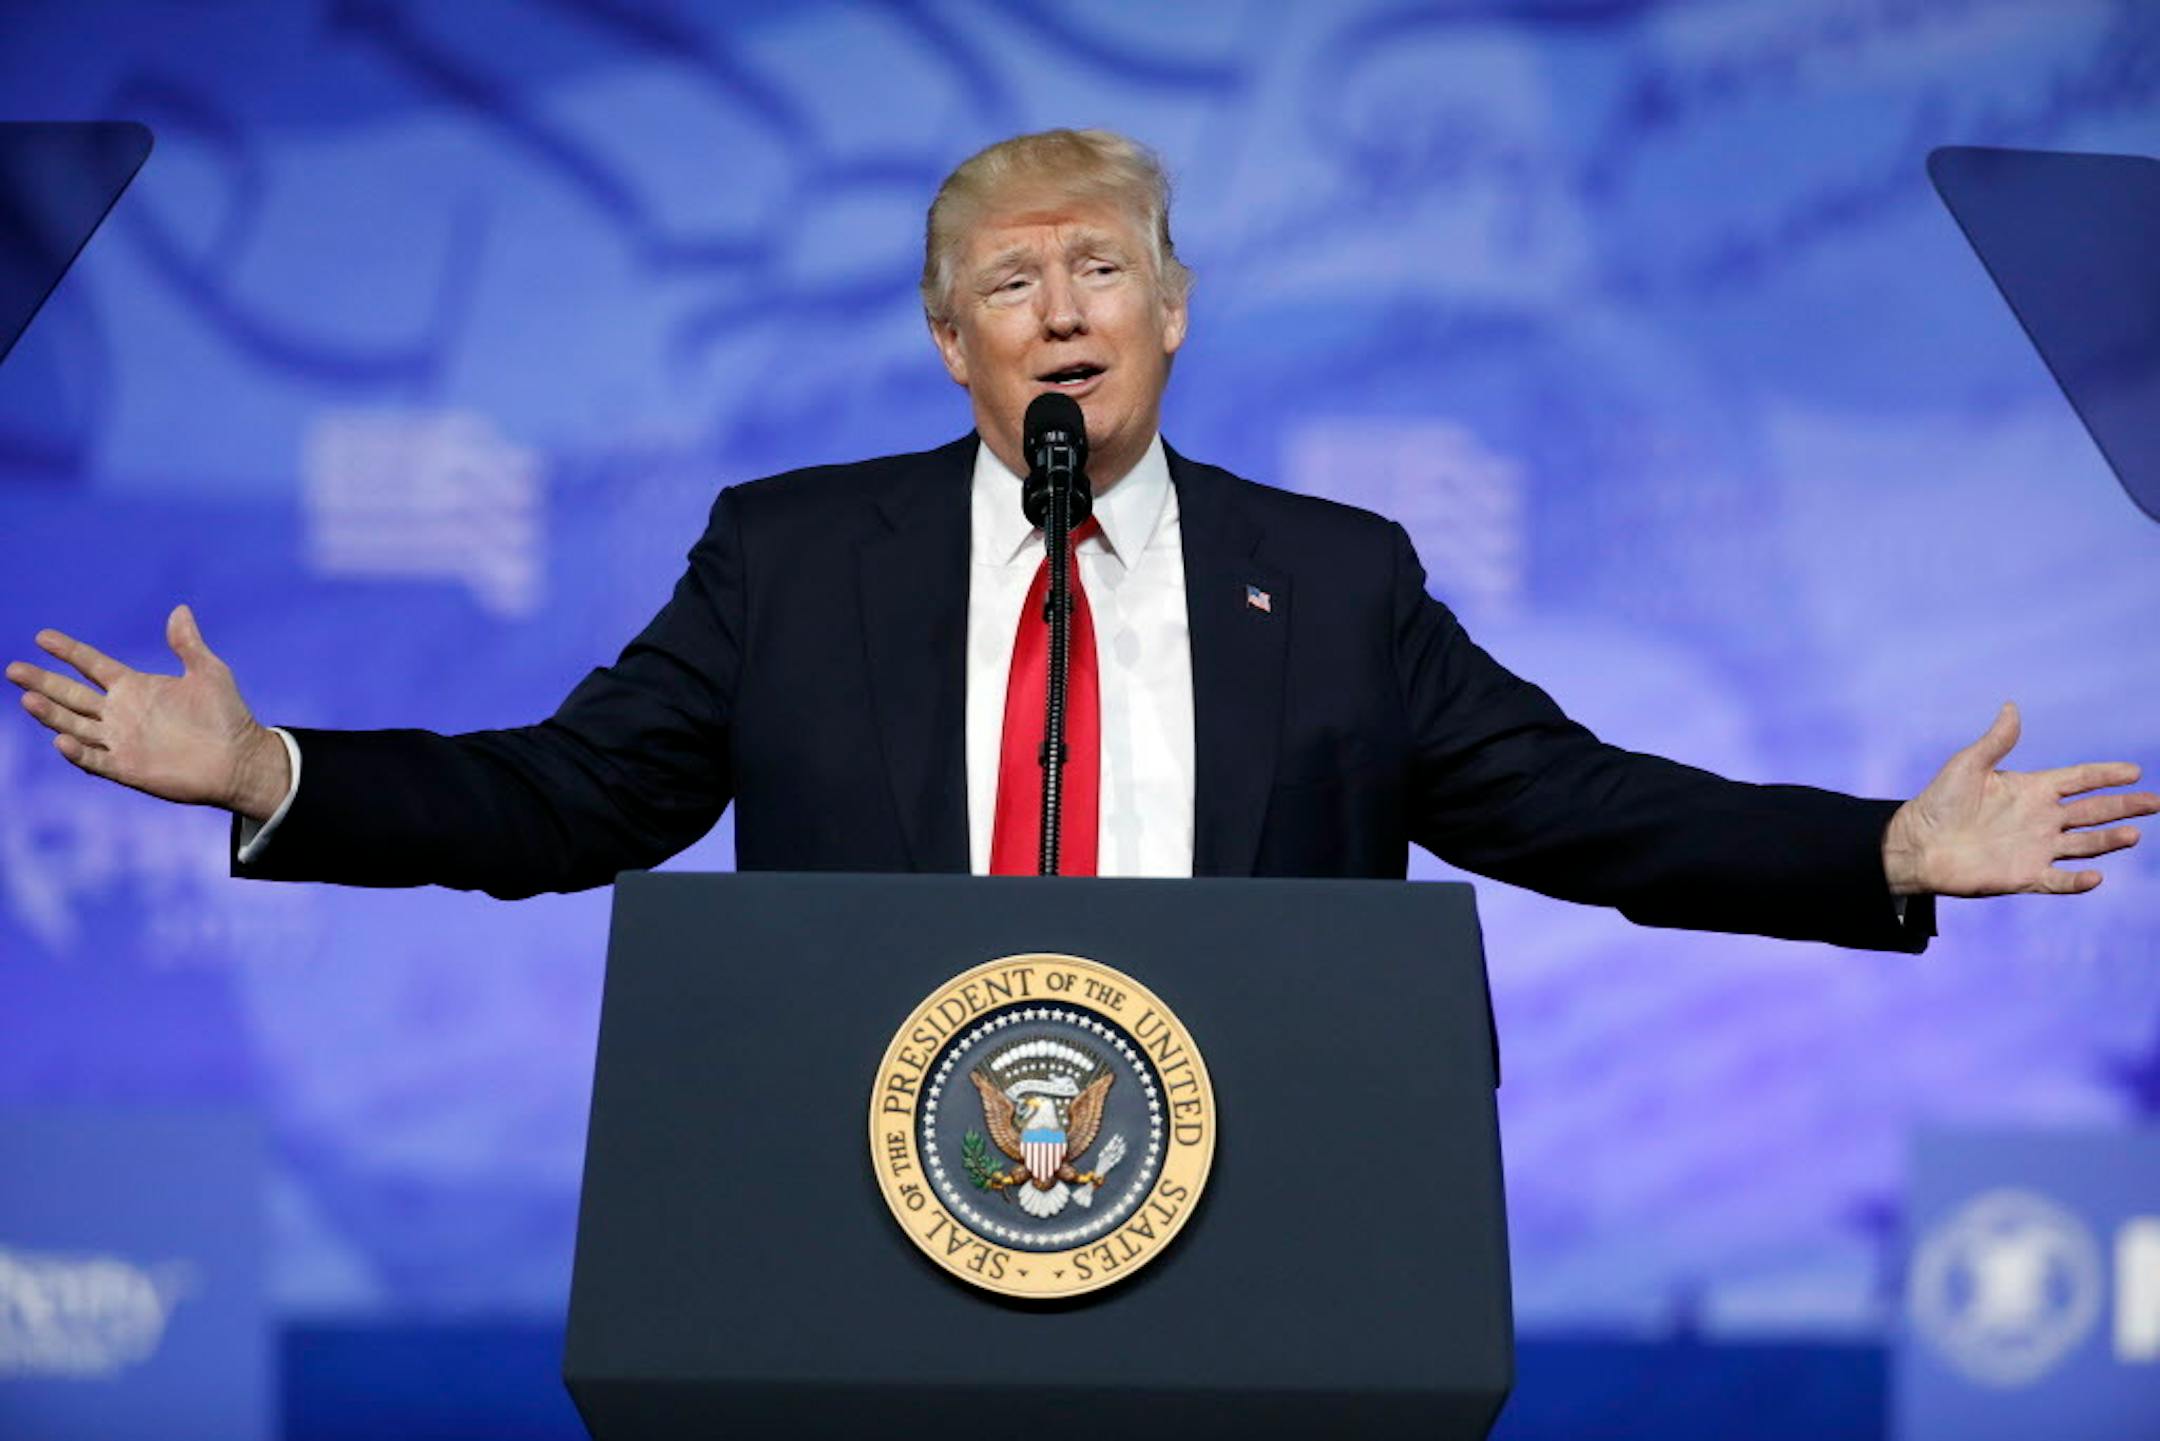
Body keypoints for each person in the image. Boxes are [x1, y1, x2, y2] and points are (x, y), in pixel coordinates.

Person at [7, 130, 2153, 949]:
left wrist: (1878, 843)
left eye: (1100, 269)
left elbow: (1574, 808)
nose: (1060, 307)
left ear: (1173, 313)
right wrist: (276, 772)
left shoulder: (1335, 578)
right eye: (1011, 281)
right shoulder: (792, 555)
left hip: (1273, 1213)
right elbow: (576, 795)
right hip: (862, 1198)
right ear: (952, 344)